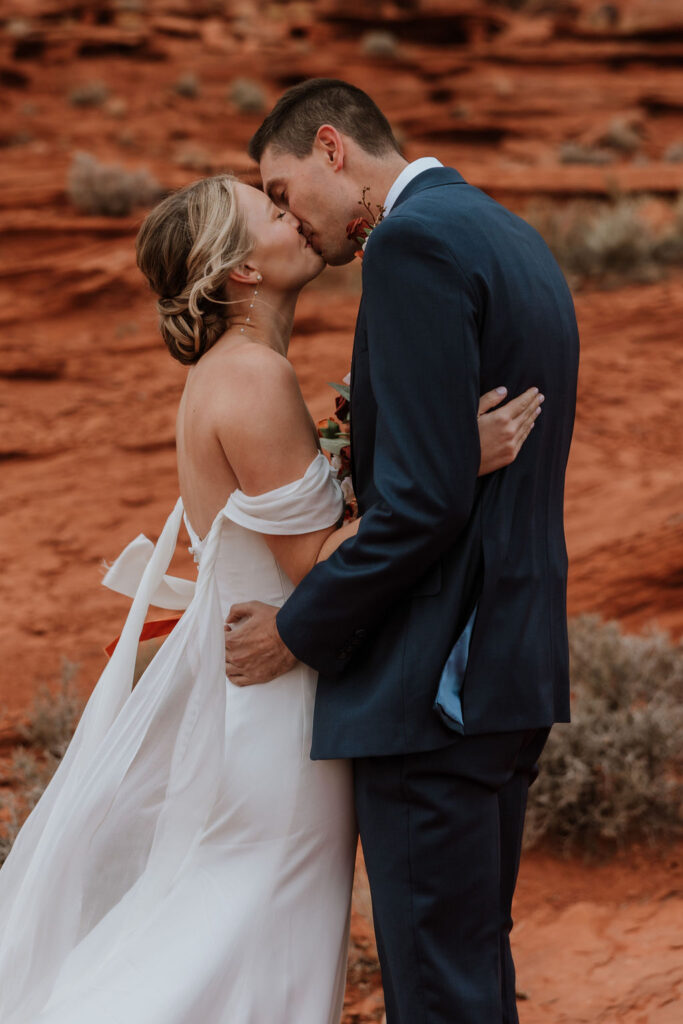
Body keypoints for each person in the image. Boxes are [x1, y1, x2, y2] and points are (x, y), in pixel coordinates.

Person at [0, 173, 539, 1023]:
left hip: (259, 701)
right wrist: (450, 462)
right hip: (275, 709)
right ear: (241, 270)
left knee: (234, 927)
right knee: (241, 932)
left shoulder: (241, 371)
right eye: (276, 214)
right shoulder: (251, 378)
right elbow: (315, 565)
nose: (298, 219)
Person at [224, 79, 580, 1024]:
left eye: (284, 189)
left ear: (332, 148)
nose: (293, 222)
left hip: (433, 685)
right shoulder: (506, 233)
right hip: (511, 662)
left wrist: (296, 631)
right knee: (469, 969)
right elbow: (444, 475)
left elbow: (418, 506)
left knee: (436, 990)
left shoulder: (413, 244)